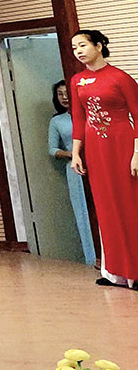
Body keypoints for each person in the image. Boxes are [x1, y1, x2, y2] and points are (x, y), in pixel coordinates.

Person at [68, 29, 138, 289]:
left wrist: (136, 153)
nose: (78, 51)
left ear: (98, 46)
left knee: (129, 204)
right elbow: (79, 118)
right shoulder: (77, 81)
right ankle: (114, 272)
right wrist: (76, 152)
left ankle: (135, 271)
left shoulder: (120, 78)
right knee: (105, 206)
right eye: (74, 47)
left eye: (83, 45)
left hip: (123, 145)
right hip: (96, 150)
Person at [49, 80, 96, 267]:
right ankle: (91, 258)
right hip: (75, 169)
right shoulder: (57, 121)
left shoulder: (90, 114)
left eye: (67, 93)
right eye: (60, 94)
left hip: (96, 164)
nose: (64, 97)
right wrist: (72, 154)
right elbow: (52, 149)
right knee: (83, 213)